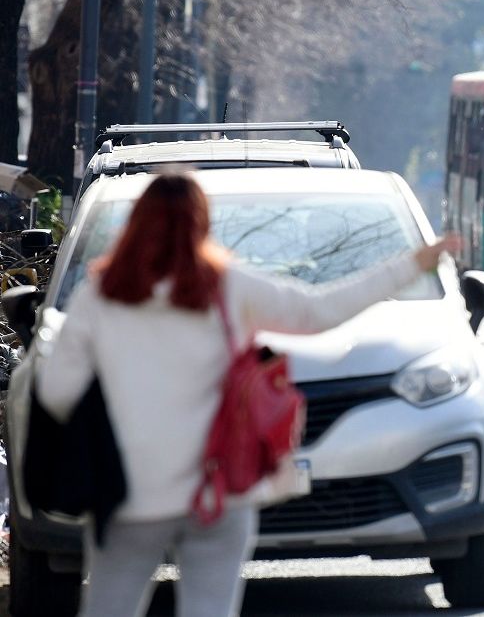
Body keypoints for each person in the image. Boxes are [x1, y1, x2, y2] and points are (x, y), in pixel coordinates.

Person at [36, 172, 459, 617]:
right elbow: (319, 311)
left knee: (110, 608)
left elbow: (57, 391)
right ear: (201, 224)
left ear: (136, 224)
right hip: (218, 487)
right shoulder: (228, 288)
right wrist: (411, 264)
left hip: (126, 493)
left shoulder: (100, 295)